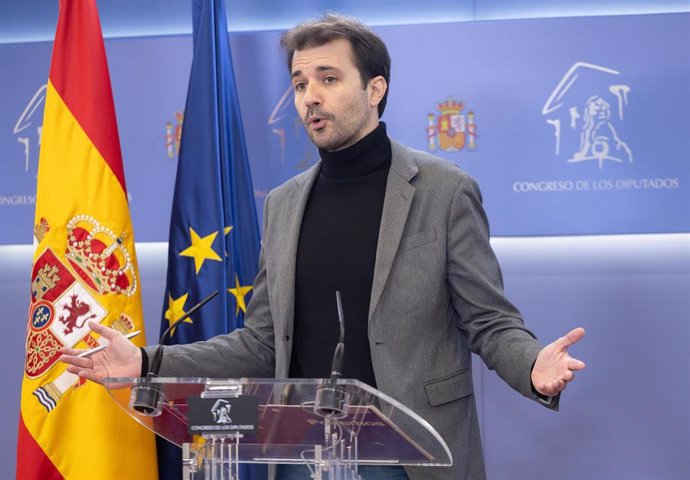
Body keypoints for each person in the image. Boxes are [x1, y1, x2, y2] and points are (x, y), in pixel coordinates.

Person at [61, 14, 586, 480]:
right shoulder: (284, 204)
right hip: (298, 453)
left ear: (375, 88)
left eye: (328, 79)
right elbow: (261, 344)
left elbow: (488, 320)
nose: (309, 96)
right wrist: (149, 361)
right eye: (299, 83)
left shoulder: (444, 190)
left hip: (411, 456)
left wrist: (531, 365)